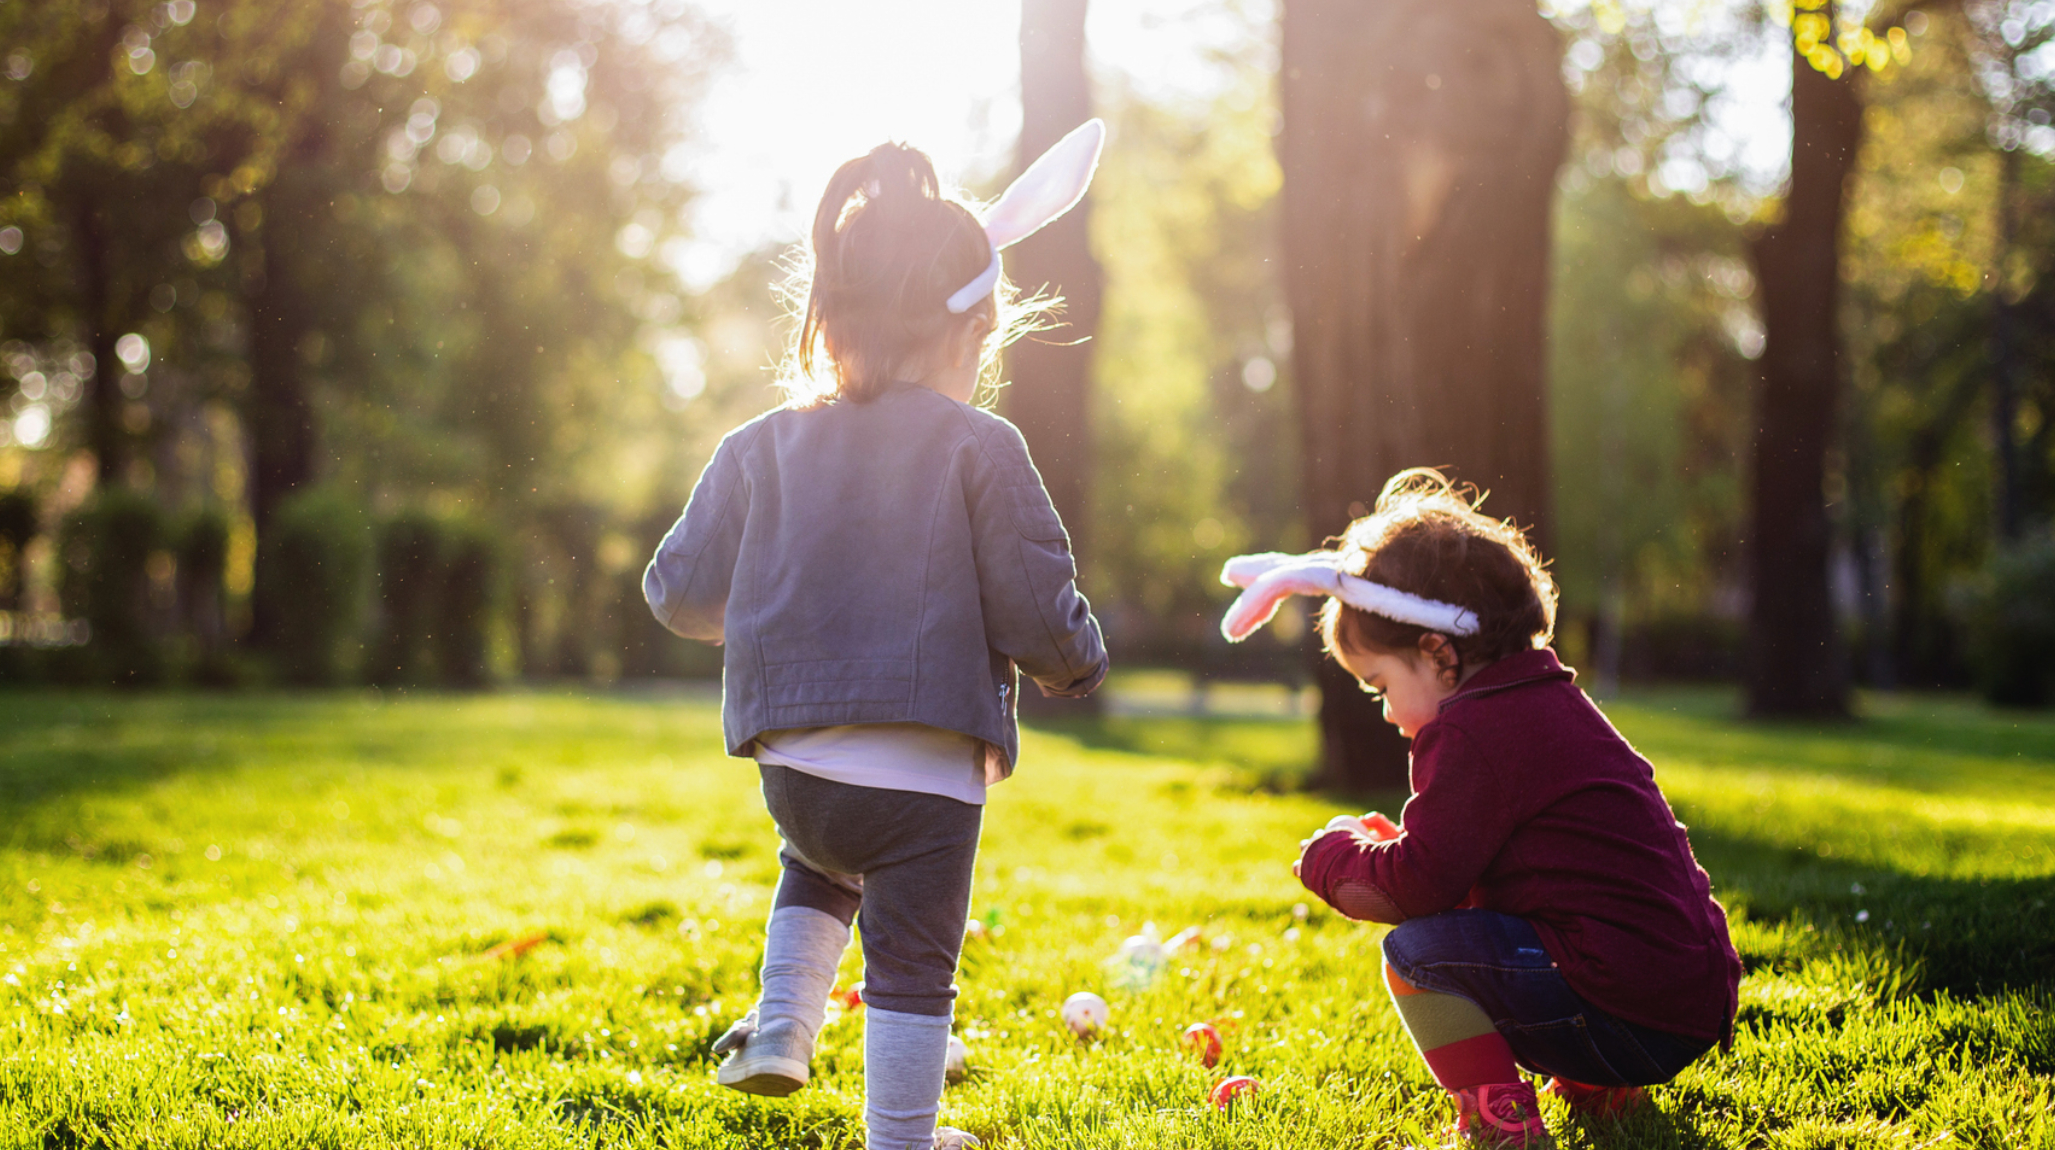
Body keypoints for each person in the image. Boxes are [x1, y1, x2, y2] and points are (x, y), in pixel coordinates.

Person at [643, 127, 1111, 1150]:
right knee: (910, 963)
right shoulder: (982, 446)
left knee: (815, 866)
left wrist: (772, 626)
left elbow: (675, 587)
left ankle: (780, 1026)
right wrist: (1077, 663)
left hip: (797, 772)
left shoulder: (756, 445)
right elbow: (1035, 603)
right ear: (969, 332)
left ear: (831, 318)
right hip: (926, 778)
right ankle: (900, 1138)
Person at [1216, 469, 1742, 1147]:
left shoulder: (1470, 730)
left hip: (1624, 1012)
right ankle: (1598, 1086)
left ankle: (1501, 1124)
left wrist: (1332, 861)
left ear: (1438, 652)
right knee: (1494, 933)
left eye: (1380, 686)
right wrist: (1402, 849)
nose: (1383, 710)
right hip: (1683, 1000)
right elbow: (1509, 866)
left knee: (1417, 957)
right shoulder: (1541, 700)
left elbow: (1418, 888)